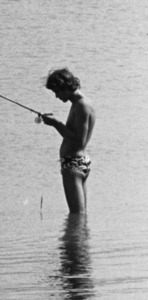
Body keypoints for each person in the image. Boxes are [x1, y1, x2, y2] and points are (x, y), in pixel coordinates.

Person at [38, 67, 95, 213]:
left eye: (57, 91)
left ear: (65, 86)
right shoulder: (82, 103)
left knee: (77, 216)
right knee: (79, 217)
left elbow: (78, 141)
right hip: (79, 163)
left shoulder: (81, 106)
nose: (56, 96)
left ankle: (76, 236)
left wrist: (56, 123)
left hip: (73, 165)